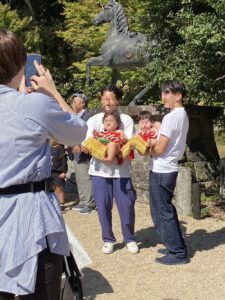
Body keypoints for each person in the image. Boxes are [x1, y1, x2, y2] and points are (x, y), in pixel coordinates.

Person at [0, 29, 87, 299]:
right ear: (19, 63)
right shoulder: (34, 105)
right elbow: (78, 133)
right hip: (30, 217)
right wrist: (52, 93)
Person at [82, 85, 138, 255]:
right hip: (99, 171)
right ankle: (108, 239)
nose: (107, 102)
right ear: (100, 100)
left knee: (126, 205)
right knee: (103, 206)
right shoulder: (93, 120)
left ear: (117, 100)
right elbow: (88, 144)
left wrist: (110, 151)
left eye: (111, 98)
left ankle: (129, 238)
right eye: (104, 98)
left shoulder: (126, 119)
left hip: (121, 171)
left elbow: (127, 144)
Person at [148, 80, 189, 265]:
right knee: (164, 209)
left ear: (178, 95)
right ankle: (173, 245)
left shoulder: (171, 118)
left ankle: (178, 253)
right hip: (168, 167)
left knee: (162, 211)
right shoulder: (182, 115)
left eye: (166, 93)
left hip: (162, 168)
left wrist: (145, 149)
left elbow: (160, 149)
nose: (162, 97)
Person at [69, 93, 96, 214]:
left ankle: (89, 204)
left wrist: (79, 144)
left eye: (75, 102)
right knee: (80, 177)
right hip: (75, 151)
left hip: (83, 150)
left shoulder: (88, 116)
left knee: (85, 177)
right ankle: (83, 200)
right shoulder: (75, 115)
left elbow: (87, 133)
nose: (73, 104)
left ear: (82, 104)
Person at [50, 140, 68, 212]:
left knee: (59, 189)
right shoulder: (50, 148)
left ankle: (62, 204)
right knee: (53, 188)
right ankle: (55, 203)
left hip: (58, 172)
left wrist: (63, 172)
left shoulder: (60, 148)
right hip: (50, 172)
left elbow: (64, 161)